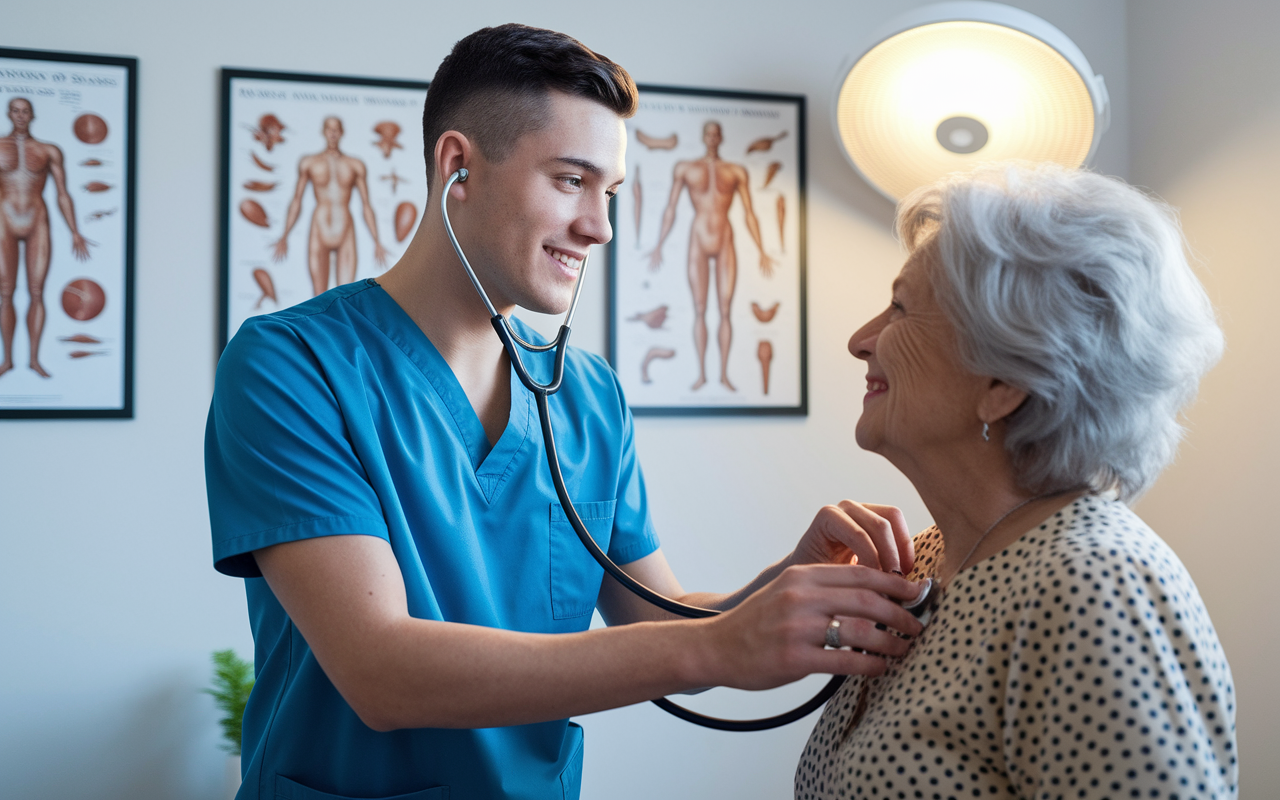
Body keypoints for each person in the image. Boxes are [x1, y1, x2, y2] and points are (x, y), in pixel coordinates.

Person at [208, 25, 927, 800]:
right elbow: (381, 672)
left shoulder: (588, 395)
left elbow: (663, 619)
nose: (600, 226)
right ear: (458, 167)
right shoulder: (289, 366)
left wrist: (784, 584)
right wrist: (722, 646)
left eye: (609, 192)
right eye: (570, 181)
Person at [795, 163, 1237, 799]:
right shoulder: (929, 557)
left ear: (1004, 382)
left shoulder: (1095, 587)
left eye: (899, 308)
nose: (860, 341)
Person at [647, 120, 774, 391]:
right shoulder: (686, 168)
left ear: (722, 137)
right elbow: (670, 208)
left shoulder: (736, 171)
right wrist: (658, 243)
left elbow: (749, 212)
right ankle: (703, 374)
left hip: (725, 238)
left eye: (717, 134)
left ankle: (724, 375)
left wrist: (762, 248)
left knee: (725, 310)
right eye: (709, 134)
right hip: (698, 240)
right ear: (704, 137)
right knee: (700, 309)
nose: (713, 138)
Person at [0, 97, 92, 379]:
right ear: (9, 113)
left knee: (36, 291)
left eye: (25, 111)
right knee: (6, 292)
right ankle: (8, 360)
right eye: (15, 110)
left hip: (37, 220)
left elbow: (63, 193)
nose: (20, 115)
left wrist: (75, 230)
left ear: (32, 115)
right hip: (4, 219)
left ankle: (34, 359)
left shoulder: (48, 150)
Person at [272, 115, 388, 295]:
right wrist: (285, 235)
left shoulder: (355, 165)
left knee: (347, 298)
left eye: (336, 129)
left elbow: (366, 204)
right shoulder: (309, 162)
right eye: (329, 128)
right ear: (324, 132)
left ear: (341, 132)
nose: (333, 133)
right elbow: (297, 200)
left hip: (345, 230)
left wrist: (376, 240)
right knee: (318, 298)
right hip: (320, 229)